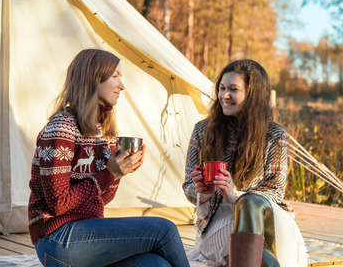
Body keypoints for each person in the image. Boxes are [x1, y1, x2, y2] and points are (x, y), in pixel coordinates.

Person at [29, 48, 190, 267]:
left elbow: (100, 200)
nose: (122, 86)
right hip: (56, 238)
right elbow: (58, 204)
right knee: (164, 230)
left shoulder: (101, 130)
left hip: (88, 235)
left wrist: (119, 173)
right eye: (115, 76)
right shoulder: (61, 129)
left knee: (157, 265)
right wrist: (109, 174)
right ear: (92, 79)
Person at [182, 59, 308, 267]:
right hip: (219, 224)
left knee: (250, 203)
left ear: (253, 95)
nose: (224, 95)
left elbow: (276, 192)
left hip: (267, 221)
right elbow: (188, 185)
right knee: (258, 251)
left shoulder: (274, 135)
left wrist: (237, 196)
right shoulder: (202, 131)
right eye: (222, 88)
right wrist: (202, 193)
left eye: (233, 89)